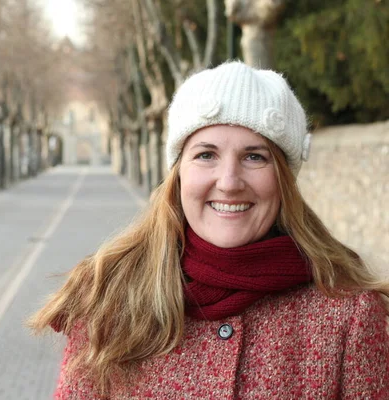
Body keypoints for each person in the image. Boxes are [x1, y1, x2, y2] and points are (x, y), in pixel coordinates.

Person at [28, 61, 389, 399]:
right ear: (179, 172)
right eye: (206, 155)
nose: (229, 182)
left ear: (283, 180)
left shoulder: (349, 317)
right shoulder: (105, 299)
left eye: (254, 156)